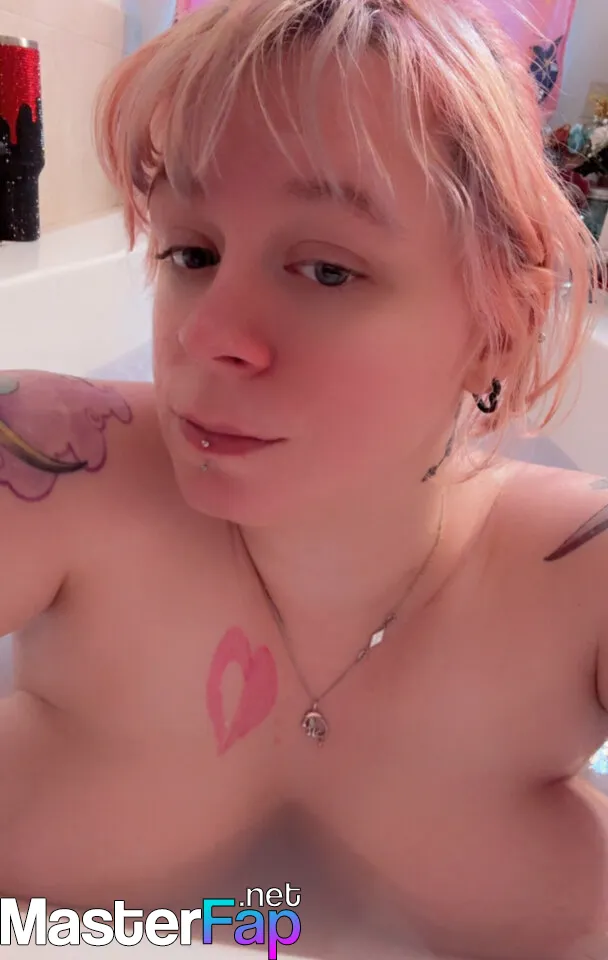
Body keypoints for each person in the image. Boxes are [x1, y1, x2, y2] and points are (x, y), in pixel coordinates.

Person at [0, 0, 607, 957]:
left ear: (500, 329)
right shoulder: (53, 466)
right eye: (191, 253)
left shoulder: (577, 584)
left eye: (326, 270)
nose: (205, 335)